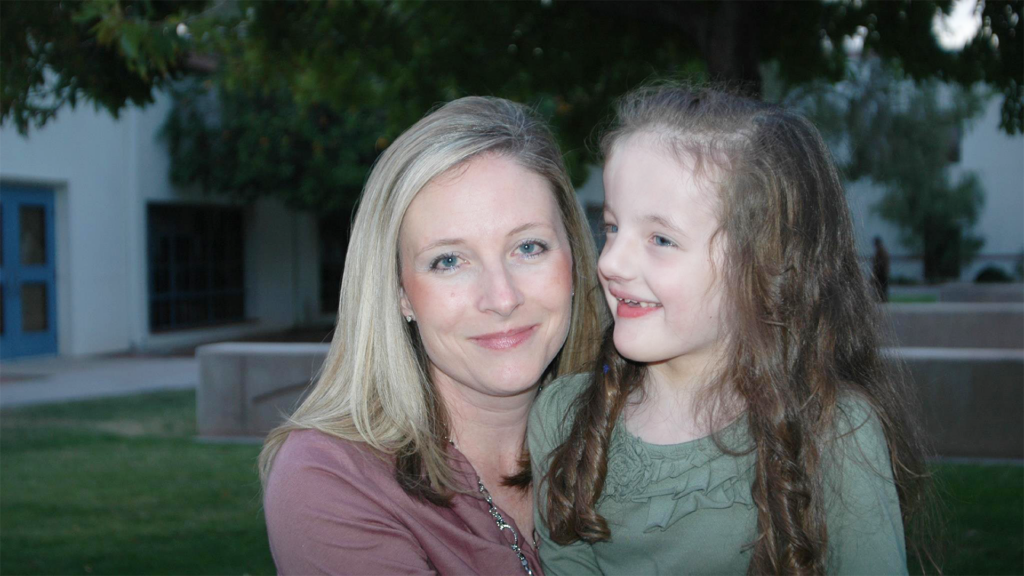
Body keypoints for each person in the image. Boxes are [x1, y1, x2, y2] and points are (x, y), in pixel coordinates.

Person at [530, 85, 930, 575]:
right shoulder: (563, 417)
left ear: (766, 265)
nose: (610, 262)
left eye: (660, 238)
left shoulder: (833, 433)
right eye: (611, 227)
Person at [260, 96, 604, 575]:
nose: (501, 298)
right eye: (449, 260)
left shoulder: (637, 442)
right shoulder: (332, 477)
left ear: (573, 259)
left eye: (529, 247)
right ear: (400, 292)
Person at [873, 236, 891, 302]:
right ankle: (882, 298)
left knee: (881, 286)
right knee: (881, 287)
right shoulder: (881, 251)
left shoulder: (881, 251)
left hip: (881, 272)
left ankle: (882, 298)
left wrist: (876, 271)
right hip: (882, 272)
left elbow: (881, 263)